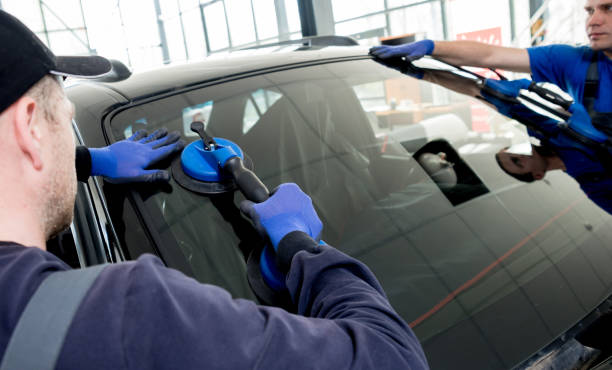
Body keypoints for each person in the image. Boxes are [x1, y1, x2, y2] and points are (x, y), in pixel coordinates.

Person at [0, 10, 429, 370]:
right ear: (30, 126)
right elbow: (391, 356)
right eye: (65, 114)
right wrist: (306, 249)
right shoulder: (130, 314)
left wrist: (88, 160)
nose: (74, 141)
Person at [370, 0, 612, 115]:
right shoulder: (574, 60)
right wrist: (431, 46)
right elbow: (490, 55)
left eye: (608, 8)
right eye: (590, 11)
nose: (593, 21)